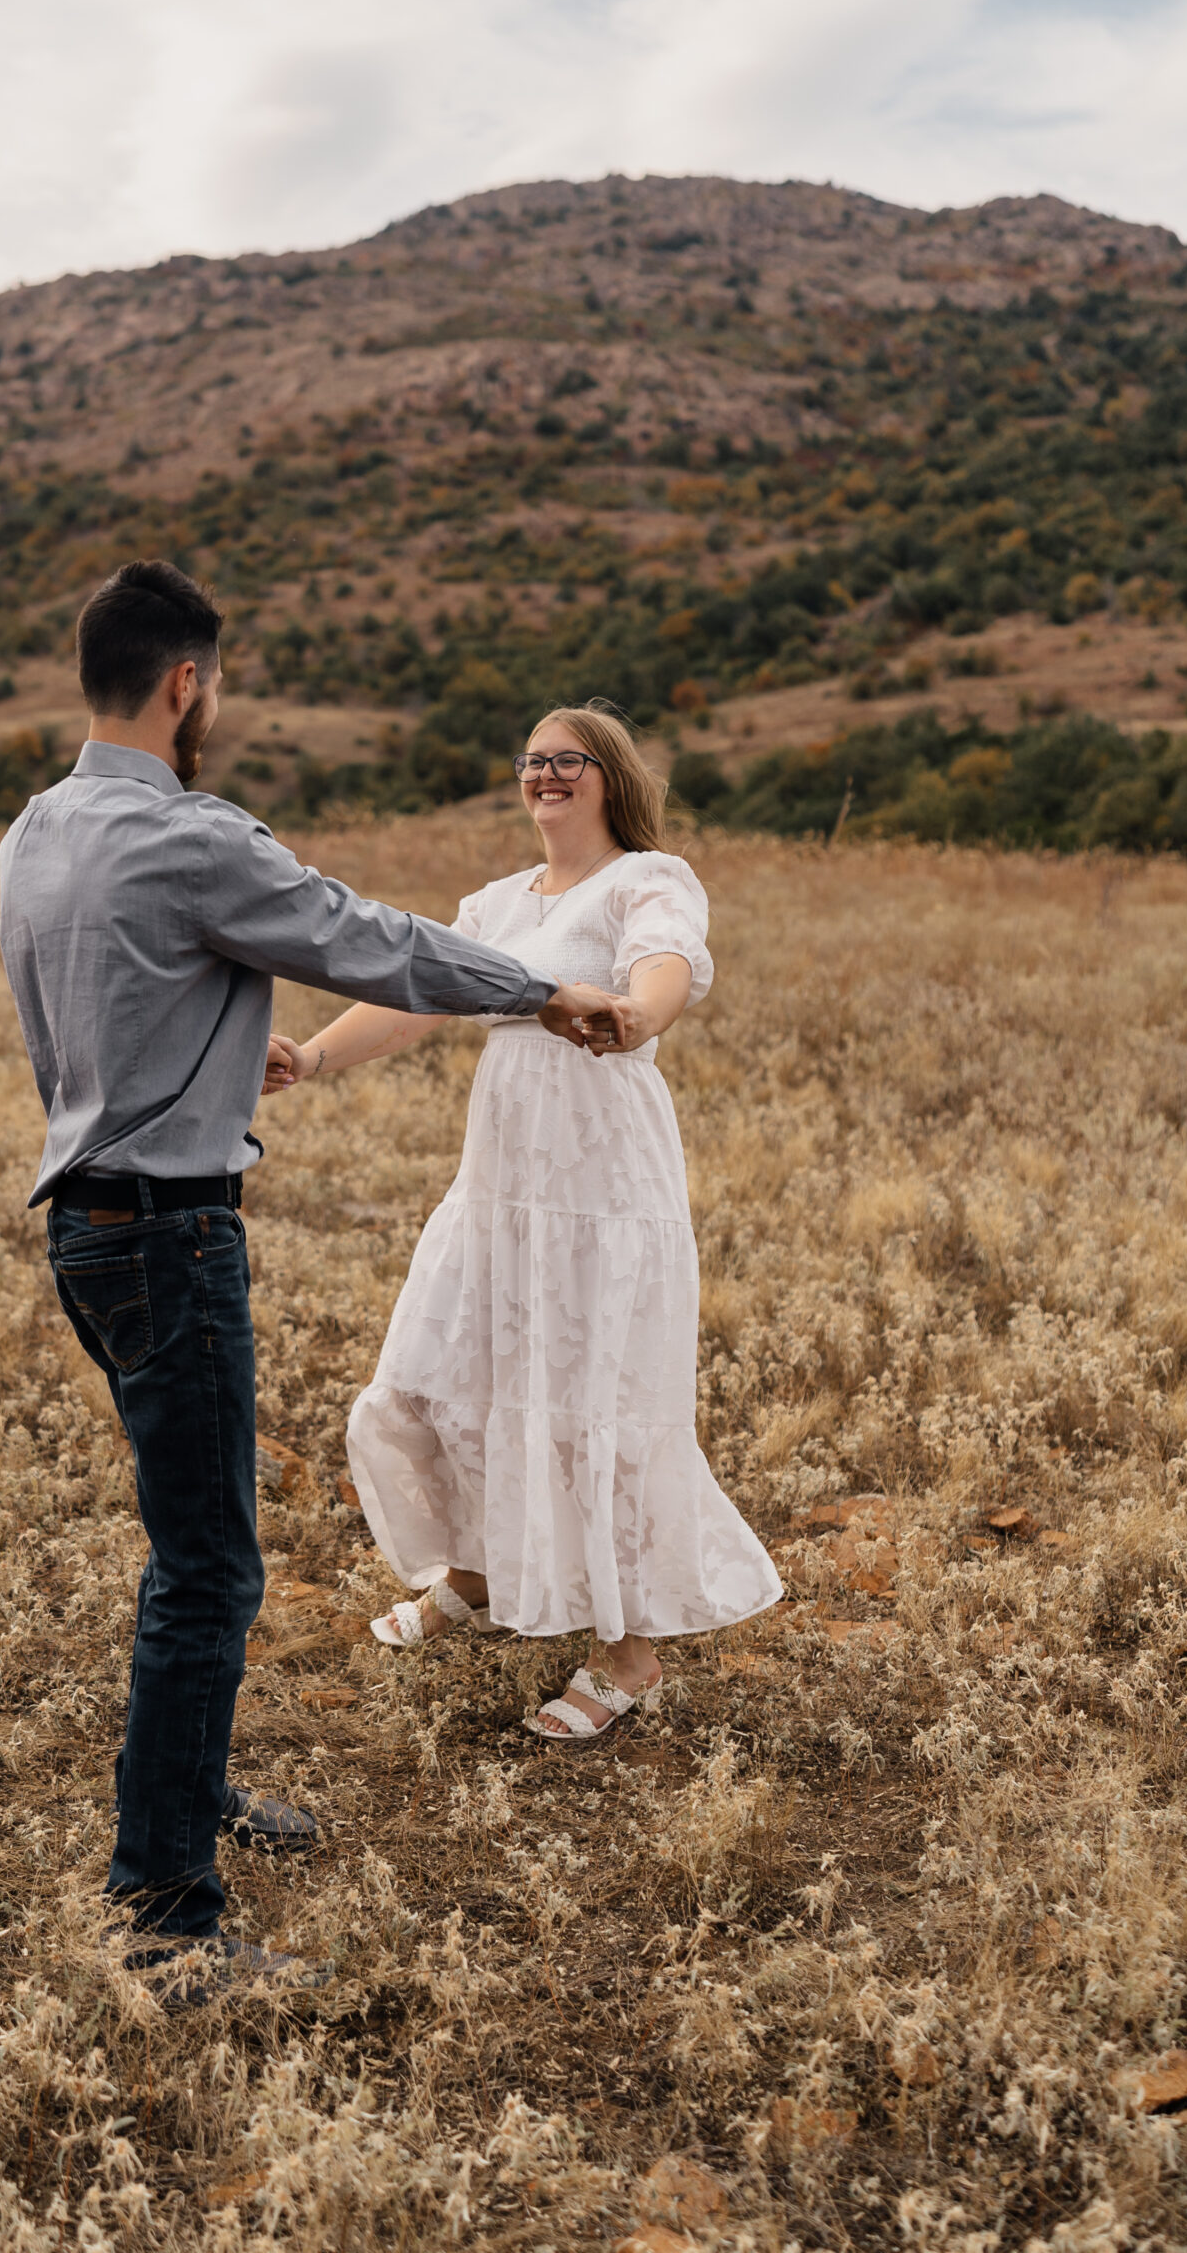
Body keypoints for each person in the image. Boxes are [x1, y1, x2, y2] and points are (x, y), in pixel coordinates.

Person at [0, 564, 639, 2005]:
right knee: (208, 1568)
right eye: (211, 686)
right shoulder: (190, 836)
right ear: (185, 686)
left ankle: (190, 1798)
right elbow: (370, 939)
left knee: (189, 1545)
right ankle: (163, 1915)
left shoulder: (36, 829)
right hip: (167, 1228)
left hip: (87, 1226)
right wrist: (541, 989)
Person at [265, 703, 781, 1747]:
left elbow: (664, 962)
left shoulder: (648, 876)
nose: (546, 775)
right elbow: (417, 994)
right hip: (503, 1179)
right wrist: (312, 1056)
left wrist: (639, 1013)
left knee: (592, 1395)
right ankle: (476, 1569)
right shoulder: (496, 903)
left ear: (610, 775)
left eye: (568, 761)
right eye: (532, 761)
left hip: (599, 1179)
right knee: (442, 1368)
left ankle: (626, 1651)